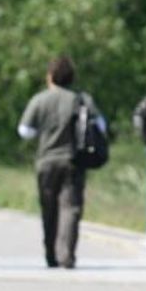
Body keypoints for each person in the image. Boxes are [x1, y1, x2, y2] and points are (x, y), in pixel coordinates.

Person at [17, 56, 106, 269]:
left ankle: (50, 253)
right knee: (70, 208)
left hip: (46, 161)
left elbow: (24, 131)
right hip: (74, 160)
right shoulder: (82, 99)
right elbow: (101, 125)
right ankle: (66, 255)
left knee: (49, 208)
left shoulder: (40, 99)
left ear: (50, 77)